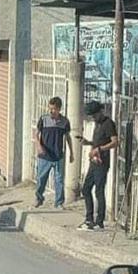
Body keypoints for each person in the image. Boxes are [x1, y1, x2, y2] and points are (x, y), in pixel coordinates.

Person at [77, 101, 118, 231]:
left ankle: (99, 221)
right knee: (86, 189)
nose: (94, 119)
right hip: (93, 162)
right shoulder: (97, 124)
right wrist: (88, 143)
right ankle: (89, 218)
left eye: (95, 115)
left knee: (99, 191)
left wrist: (99, 149)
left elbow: (115, 142)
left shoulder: (108, 124)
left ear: (100, 112)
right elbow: (97, 142)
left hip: (102, 162)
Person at [34, 97, 75, 209]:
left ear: (59, 109)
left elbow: (68, 138)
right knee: (41, 178)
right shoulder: (44, 119)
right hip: (44, 156)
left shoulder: (65, 122)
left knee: (59, 180)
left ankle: (59, 202)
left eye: (54, 109)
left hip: (58, 156)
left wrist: (71, 153)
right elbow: (36, 134)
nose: (51, 111)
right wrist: (38, 146)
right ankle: (39, 198)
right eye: (50, 108)